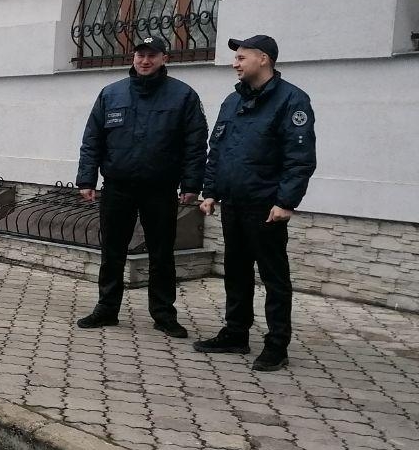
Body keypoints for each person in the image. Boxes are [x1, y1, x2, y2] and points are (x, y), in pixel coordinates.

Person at [194, 35, 316, 372]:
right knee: (236, 272)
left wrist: (286, 201)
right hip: (233, 203)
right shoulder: (232, 101)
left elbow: (299, 158)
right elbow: (217, 150)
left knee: (274, 278)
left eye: (241, 58)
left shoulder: (291, 100)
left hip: (266, 207)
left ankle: (277, 345)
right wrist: (210, 191)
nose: (235, 63)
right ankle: (236, 334)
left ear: (263, 59)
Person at [75, 36, 208, 337]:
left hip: (160, 188)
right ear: (133, 58)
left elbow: (195, 144)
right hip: (117, 187)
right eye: (140, 55)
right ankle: (106, 309)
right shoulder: (111, 94)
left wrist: (191, 183)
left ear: (164, 59)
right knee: (112, 251)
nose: (145, 61)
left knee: (161, 253)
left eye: (152, 56)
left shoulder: (183, 95)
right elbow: (93, 139)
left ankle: (164, 314)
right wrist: (86, 178)